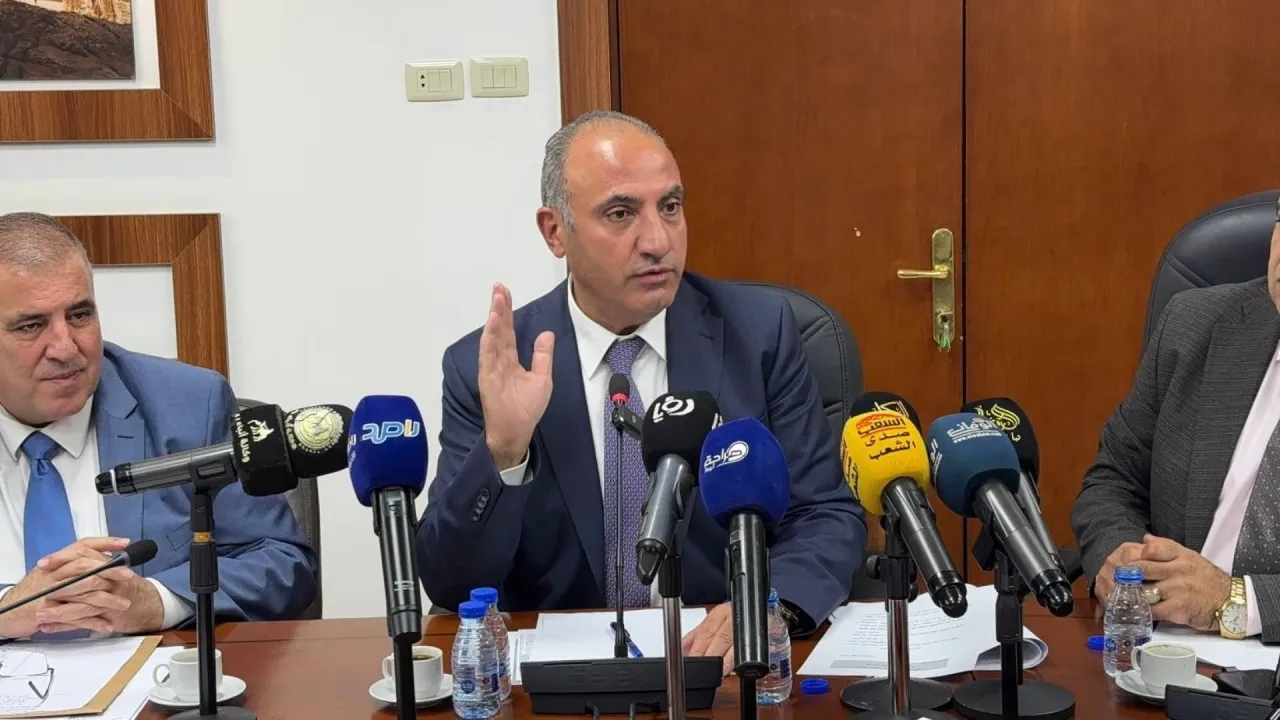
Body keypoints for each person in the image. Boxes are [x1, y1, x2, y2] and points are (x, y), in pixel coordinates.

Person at [417, 110, 864, 671]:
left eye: (670, 207)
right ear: (555, 232)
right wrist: (504, 454)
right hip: (559, 683)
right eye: (621, 213)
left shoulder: (759, 334)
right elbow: (452, 582)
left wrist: (770, 606)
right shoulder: (490, 367)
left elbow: (826, 515)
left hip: (723, 666)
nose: (658, 241)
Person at [0, 212, 316, 640]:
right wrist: (7, 608)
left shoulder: (189, 404)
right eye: (31, 325)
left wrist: (156, 601)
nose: (65, 347)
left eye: (79, 315)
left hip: (152, 675)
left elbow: (280, 562)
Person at [1072, 194, 1280, 643]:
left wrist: (1236, 601)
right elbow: (1115, 479)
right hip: (1159, 647)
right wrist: (1121, 559)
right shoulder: (1195, 324)